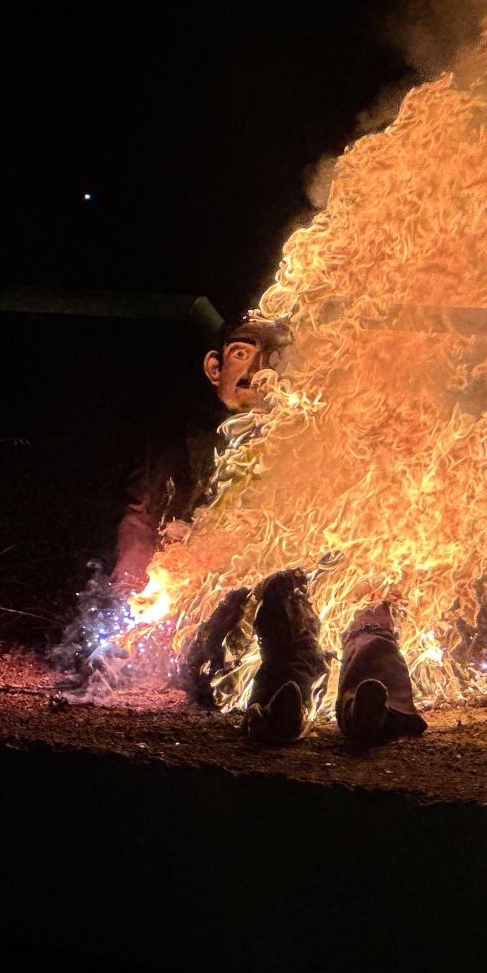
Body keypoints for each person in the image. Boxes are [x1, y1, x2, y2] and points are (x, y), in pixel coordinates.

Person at [105, 314, 427, 748]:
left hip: (310, 582)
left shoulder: (309, 439)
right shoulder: (181, 447)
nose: (256, 370)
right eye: (242, 354)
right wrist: (133, 583)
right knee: (281, 606)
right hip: (221, 601)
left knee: (367, 609)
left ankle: (373, 709)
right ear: (214, 367)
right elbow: (141, 517)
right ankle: (278, 709)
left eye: (271, 359)